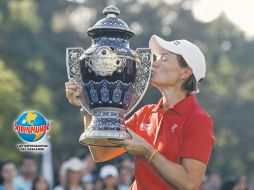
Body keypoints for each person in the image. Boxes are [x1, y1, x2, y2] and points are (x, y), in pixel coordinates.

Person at [65, 35, 215, 190]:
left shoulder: (198, 119)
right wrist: (88, 106)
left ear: (185, 73)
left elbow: (189, 183)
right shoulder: (146, 113)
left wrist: (148, 151)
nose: (154, 63)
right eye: (156, 58)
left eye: (164, 59)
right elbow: (101, 153)